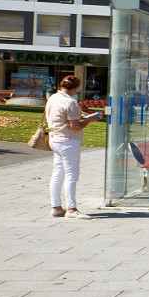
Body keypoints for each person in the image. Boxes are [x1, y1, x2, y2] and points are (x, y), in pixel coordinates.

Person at [46, 75, 102, 219]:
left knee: (57, 173)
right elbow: (75, 127)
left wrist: (80, 115)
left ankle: (56, 206)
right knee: (71, 175)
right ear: (76, 88)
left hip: (54, 138)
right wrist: (89, 119)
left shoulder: (53, 98)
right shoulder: (71, 102)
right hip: (68, 141)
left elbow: (63, 116)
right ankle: (71, 209)